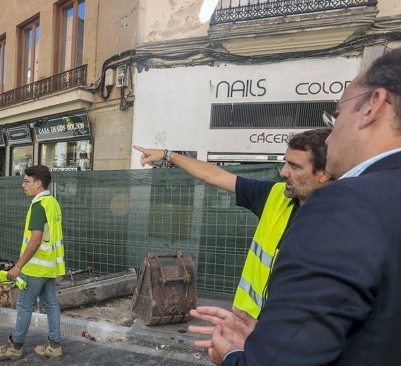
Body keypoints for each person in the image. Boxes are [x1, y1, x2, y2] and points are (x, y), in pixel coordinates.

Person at [189, 45, 401, 366]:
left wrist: (237, 357)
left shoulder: (347, 205)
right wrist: (276, 342)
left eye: (337, 113)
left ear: (373, 106)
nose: (332, 132)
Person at [135, 128, 332, 318]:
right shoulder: (274, 196)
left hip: (287, 334)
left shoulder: (341, 222)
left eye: (295, 166)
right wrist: (169, 155)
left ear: (324, 173)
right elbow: (215, 175)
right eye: (286, 163)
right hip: (246, 321)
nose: (283, 172)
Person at [0, 165, 66, 360]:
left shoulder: (38, 206)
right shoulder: (53, 203)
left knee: (24, 307)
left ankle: (15, 347)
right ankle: (54, 346)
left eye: (26, 181)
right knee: (51, 305)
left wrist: (18, 266)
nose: (23, 185)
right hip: (49, 267)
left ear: (38, 183)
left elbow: (36, 240)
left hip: (34, 268)